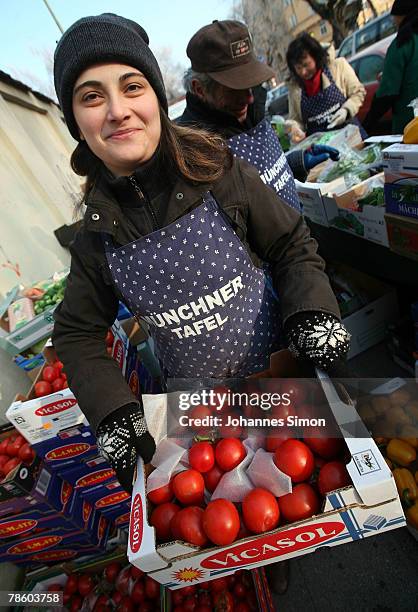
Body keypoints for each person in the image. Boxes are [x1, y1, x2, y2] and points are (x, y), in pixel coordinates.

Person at [52, 12, 350, 508]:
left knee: (306, 496)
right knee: (232, 518)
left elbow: (290, 242)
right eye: (91, 96)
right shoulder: (95, 240)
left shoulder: (217, 169)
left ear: (155, 97)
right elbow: (76, 333)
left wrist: (313, 311)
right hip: (203, 422)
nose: (118, 110)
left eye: (132, 87)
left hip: (280, 384)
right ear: (76, 124)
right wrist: (111, 413)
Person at [177, 20, 340, 211]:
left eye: (250, 83)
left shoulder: (252, 107)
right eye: (234, 89)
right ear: (200, 89)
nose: (249, 97)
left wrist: (296, 162)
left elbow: (260, 176)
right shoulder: (196, 152)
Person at [286, 33, 366, 137]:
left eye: (306, 65)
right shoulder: (295, 88)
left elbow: (358, 92)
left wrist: (346, 110)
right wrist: (294, 127)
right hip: (321, 147)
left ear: (315, 57)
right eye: (298, 68)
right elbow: (296, 119)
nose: (303, 72)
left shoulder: (338, 67)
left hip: (351, 136)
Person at [364, 0, 418, 134]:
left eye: (394, 16)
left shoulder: (403, 43)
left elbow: (388, 92)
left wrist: (367, 124)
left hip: (410, 126)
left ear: (403, 15)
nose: (393, 20)